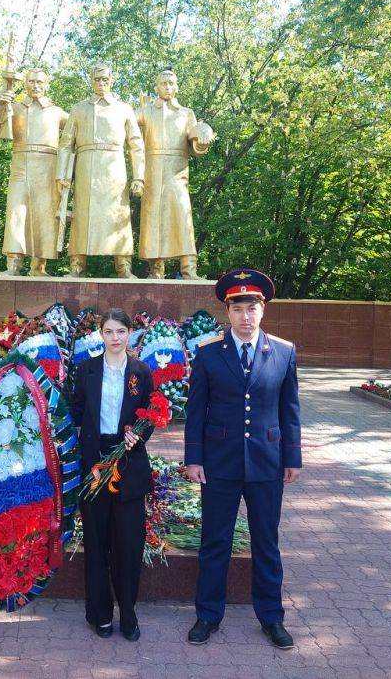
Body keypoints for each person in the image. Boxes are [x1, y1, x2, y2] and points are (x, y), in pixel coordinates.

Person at [183, 269, 302, 649]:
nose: (245, 316)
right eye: (238, 308)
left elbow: (290, 410)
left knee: (266, 542)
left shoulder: (283, 352)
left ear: (262, 311)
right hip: (219, 463)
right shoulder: (207, 354)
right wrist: (193, 459)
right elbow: (196, 410)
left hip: (267, 462)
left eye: (252, 308)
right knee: (214, 541)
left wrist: (292, 458)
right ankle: (208, 615)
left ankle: (271, 618)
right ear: (228, 313)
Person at [68, 308, 155, 641]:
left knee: (129, 543)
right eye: (109, 332)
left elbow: (151, 412)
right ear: (100, 335)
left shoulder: (142, 371)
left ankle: (128, 614)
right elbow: (74, 411)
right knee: (96, 540)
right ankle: (100, 614)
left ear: (129, 334)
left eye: (121, 331)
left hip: (129, 463)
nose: (115, 338)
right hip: (94, 463)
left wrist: (140, 434)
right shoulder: (86, 370)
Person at [56, 64, 145, 279]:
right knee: (82, 215)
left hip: (114, 167)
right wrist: (62, 174)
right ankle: (77, 264)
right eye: (97, 79)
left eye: (105, 79)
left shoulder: (124, 108)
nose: (101, 83)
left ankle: (123, 266)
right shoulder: (79, 108)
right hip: (86, 166)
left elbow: (136, 144)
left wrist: (139, 176)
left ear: (112, 80)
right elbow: (66, 143)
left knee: (119, 216)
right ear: (91, 81)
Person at [0, 67, 69, 277]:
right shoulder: (14, 108)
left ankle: (39, 267)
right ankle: (13, 264)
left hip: (48, 167)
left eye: (40, 82)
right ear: (25, 84)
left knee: (45, 215)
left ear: (47, 84)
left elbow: (78, 131)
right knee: (16, 213)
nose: (36, 85)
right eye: (31, 81)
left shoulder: (56, 112)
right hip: (21, 165)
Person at [135, 70, 215, 280]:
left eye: (171, 83)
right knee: (153, 220)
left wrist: (202, 140)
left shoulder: (186, 113)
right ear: (156, 88)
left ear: (177, 86)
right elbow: (126, 128)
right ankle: (155, 270)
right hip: (152, 170)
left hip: (177, 172)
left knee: (182, 216)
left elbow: (195, 143)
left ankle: (189, 269)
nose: (168, 87)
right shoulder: (146, 111)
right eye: (163, 83)